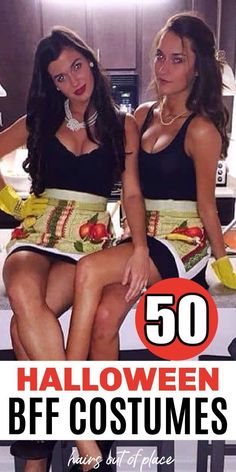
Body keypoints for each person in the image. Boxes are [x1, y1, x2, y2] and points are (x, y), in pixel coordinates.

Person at [1, 27, 149, 472]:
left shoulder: (123, 126)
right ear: (52, 84)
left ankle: (36, 461)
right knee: (23, 295)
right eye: (60, 77)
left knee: (23, 333)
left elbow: (133, 195)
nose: (73, 81)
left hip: (83, 243)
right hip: (35, 231)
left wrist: (139, 248)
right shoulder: (40, 119)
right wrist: (10, 202)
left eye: (76, 67)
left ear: (91, 59)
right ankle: (83, 435)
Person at [67, 10, 236, 369]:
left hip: (181, 239)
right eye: (160, 56)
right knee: (104, 316)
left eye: (178, 59)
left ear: (197, 68)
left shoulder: (202, 129)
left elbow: (207, 206)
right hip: (142, 235)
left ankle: (65, 383)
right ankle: (100, 405)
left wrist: (222, 263)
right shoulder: (141, 116)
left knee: (90, 270)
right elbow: (131, 192)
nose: (163, 67)